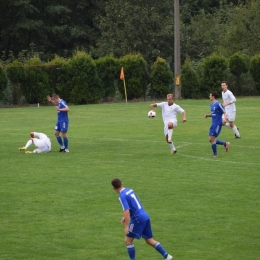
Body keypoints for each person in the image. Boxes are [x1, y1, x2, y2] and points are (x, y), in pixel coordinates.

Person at [111, 178, 173, 260]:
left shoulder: (122, 196)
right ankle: (167, 256)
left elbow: (126, 211)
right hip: (144, 216)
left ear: (113, 188)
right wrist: (124, 218)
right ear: (122, 183)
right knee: (148, 239)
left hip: (138, 219)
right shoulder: (129, 190)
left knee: (128, 240)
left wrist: (126, 227)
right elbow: (133, 205)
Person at [204, 91, 230, 157]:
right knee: (210, 139)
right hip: (213, 123)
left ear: (213, 96)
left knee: (211, 139)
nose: (209, 96)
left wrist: (224, 119)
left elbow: (224, 112)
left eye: (210, 95)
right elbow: (213, 114)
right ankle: (225, 144)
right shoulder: (211, 105)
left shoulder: (218, 104)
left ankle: (215, 154)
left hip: (218, 123)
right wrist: (208, 115)